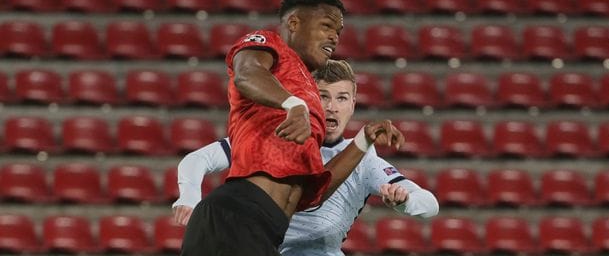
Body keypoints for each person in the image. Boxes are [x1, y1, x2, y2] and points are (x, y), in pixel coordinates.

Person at [180, 0, 404, 256]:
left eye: (339, 31)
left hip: (266, 228)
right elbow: (247, 74)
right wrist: (293, 104)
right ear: (294, 23)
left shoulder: (308, 90)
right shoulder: (267, 45)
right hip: (236, 216)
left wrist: (364, 139)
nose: (334, 36)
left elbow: (312, 196)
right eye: (326, 26)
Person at [175, 60, 439, 256]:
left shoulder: (364, 159)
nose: (332, 106)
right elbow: (196, 160)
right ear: (309, 99)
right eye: (323, 96)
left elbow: (429, 204)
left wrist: (404, 202)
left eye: (342, 98)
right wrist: (188, 198)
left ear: (353, 104)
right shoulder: (276, 137)